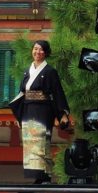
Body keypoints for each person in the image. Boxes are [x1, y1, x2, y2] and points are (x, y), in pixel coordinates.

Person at [9, 39, 70, 183]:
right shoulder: (27, 71)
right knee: (31, 144)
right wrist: (19, 116)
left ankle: (44, 175)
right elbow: (21, 93)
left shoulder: (50, 71)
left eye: (41, 49)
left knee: (42, 142)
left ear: (46, 53)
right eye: (35, 49)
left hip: (43, 110)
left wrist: (62, 114)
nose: (38, 52)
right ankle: (39, 175)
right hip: (28, 109)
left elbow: (57, 92)